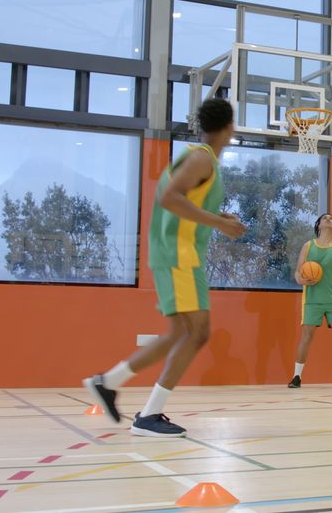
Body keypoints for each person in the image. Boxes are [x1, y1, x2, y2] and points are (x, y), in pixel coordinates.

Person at [84, 98, 246, 437]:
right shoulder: (202, 158)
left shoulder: (202, 159)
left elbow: (183, 202)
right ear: (229, 127)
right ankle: (147, 414)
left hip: (177, 254)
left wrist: (219, 218)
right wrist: (218, 223)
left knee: (180, 333)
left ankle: (109, 384)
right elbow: (169, 197)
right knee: (196, 332)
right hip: (178, 255)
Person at [287, 213, 332, 389]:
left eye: (331, 218)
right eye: (324, 218)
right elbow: (297, 272)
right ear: (318, 226)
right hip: (312, 299)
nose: (328, 219)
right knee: (307, 337)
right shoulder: (308, 246)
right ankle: (296, 377)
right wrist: (301, 280)